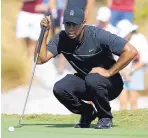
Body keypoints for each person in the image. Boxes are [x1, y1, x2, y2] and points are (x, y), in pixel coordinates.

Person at [37, 7, 137, 129]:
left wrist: (109, 72)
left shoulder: (98, 35)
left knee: (92, 79)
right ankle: (87, 112)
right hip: (87, 82)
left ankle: (105, 117)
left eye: (74, 24)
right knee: (60, 88)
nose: (70, 28)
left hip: (111, 84)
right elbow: (40, 59)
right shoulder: (61, 38)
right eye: (67, 24)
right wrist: (45, 32)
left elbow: (131, 51)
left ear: (83, 23)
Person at [116, 19, 148, 110]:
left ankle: (133, 121)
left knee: (133, 101)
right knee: (122, 101)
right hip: (121, 71)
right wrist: (123, 71)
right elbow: (114, 59)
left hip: (136, 71)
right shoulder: (117, 41)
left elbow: (145, 59)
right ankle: (123, 121)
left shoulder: (140, 39)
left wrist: (131, 71)